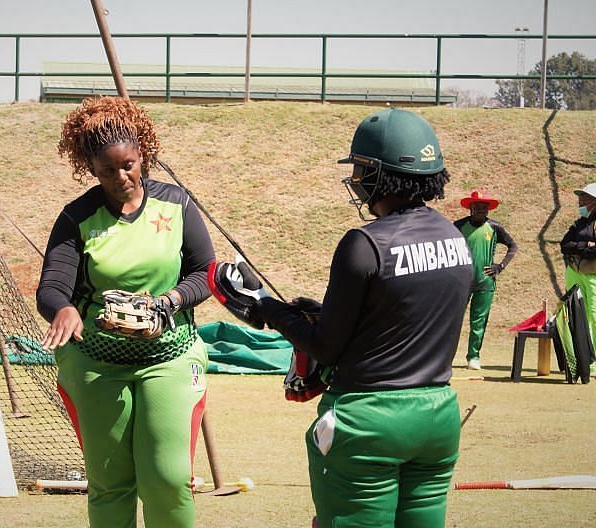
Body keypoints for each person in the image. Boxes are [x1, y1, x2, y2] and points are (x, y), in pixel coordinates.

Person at [212, 108, 473, 527]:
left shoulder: (365, 243)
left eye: (362, 169)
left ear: (381, 174)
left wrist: (263, 304)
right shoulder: (455, 238)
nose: (356, 179)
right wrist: (317, 312)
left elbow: (324, 347)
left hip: (368, 420)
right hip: (438, 416)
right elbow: (399, 316)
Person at [36, 96, 215, 528]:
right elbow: (53, 286)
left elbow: (205, 273)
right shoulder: (76, 218)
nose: (122, 177)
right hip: (97, 364)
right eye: (107, 170)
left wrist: (168, 304)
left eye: (129, 165)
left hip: (170, 359)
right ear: (91, 170)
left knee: (169, 479)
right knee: (110, 483)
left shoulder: (176, 205)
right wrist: (63, 309)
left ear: (144, 156)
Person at [454, 190, 518, 370]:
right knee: (453, 319)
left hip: (485, 281)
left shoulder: (495, 227)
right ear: (470, 208)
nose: (481, 209)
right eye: (477, 206)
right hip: (461, 282)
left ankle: (473, 357)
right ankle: (445, 357)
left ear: (488, 210)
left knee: (478, 321)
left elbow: (513, 246)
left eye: (484, 207)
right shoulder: (458, 226)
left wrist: (500, 266)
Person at [560, 182, 596, 358]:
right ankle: (577, 356)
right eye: (580, 196)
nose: (580, 200)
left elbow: (593, 253)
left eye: (585, 197)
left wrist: (581, 248)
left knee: (593, 316)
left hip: (593, 275)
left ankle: (593, 357)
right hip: (574, 271)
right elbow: (565, 245)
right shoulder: (579, 223)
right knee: (573, 312)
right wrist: (585, 245)